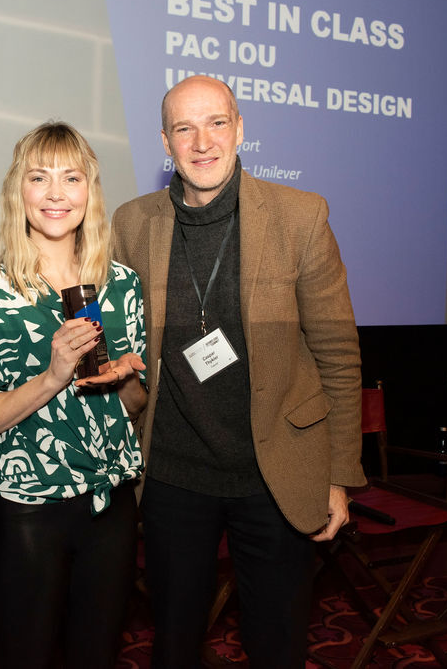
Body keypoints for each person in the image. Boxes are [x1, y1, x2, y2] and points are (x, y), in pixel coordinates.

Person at [111, 75, 365, 667]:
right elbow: (121, 344)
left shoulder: (301, 217)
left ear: (240, 129)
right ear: (165, 141)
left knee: (276, 643)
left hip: (275, 472)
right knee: (174, 640)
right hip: (173, 473)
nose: (202, 142)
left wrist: (338, 475)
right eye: (184, 128)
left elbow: (338, 354)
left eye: (216, 123)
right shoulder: (131, 223)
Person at [0, 121, 147, 669]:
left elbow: (133, 408)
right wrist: (52, 374)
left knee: (98, 653)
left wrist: (125, 377)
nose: (57, 194)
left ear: (90, 191)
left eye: (72, 177)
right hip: (31, 510)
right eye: (40, 178)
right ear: (19, 191)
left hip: (111, 502)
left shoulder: (122, 285)